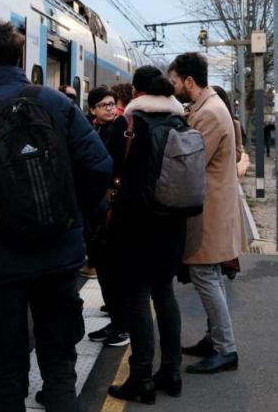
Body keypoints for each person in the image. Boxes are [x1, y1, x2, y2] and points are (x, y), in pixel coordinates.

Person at [0, 17, 112, 412]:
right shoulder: (56, 103)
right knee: (59, 361)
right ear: (18, 57)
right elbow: (100, 167)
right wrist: (71, 216)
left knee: (6, 366)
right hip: (59, 256)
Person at [105, 66, 187, 404]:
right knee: (164, 294)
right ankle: (171, 370)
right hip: (172, 224)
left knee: (137, 297)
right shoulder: (181, 123)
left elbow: (107, 167)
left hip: (136, 223)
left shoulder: (128, 124)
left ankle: (140, 377)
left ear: (137, 92)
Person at [168, 52, 242, 374]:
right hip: (211, 206)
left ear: (188, 81)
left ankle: (226, 349)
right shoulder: (208, 107)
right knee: (210, 277)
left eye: (174, 82)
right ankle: (214, 339)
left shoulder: (209, 113)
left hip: (209, 210)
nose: (172, 89)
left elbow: (191, 161)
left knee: (205, 276)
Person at [83, 86, 130, 348]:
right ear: (93, 110)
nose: (111, 109)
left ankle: (123, 326)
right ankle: (116, 320)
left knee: (113, 269)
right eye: (104, 105)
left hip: (111, 208)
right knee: (102, 267)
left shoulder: (120, 130)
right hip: (96, 208)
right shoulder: (91, 130)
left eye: (112, 104)